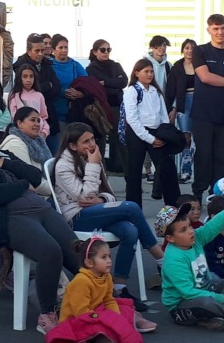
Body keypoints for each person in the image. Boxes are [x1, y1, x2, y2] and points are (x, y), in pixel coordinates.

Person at [0, 119, 80, 335]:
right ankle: (47, 313)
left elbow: (35, 175)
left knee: (76, 248)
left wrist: (5, 164)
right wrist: (23, 185)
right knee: (49, 251)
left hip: (41, 210)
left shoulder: (2, 155)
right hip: (11, 218)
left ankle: (99, 300)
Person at [54, 122, 165, 312]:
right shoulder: (63, 166)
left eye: (92, 139)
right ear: (72, 146)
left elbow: (107, 193)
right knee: (131, 207)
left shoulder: (88, 158)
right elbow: (85, 197)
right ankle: (161, 259)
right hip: (77, 217)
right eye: (85, 141)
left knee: (130, 230)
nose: (91, 144)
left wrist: (102, 199)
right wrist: (93, 165)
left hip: (95, 211)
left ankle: (119, 288)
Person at [157, 191, 224, 331]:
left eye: (190, 226)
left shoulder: (196, 238)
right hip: (183, 305)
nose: (191, 231)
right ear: (170, 238)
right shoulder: (174, 259)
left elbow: (213, 224)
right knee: (205, 302)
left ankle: (213, 318)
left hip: (207, 290)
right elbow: (187, 292)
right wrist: (220, 298)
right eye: (183, 230)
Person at [50, 237, 155, 342]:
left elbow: (109, 300)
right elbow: (80, 313)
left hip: (95, 312)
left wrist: (116, 318)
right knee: (104, 326)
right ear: (89, 263)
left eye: (109, 256)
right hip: (77, 321)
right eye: (103, 257)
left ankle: (127, 326)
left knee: (124, 310)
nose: (109, 261)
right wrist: (107, 318)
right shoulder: (81, 281)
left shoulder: (106, 276)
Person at [190, 14, 224, 200]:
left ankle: (217, 196)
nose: (220, 32)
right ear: (209, 30)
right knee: (203, 156)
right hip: (202, 114)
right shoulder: (200, 51)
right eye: (215, 28)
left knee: (222, 158)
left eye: (222, 28)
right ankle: (197, 194)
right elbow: (205, 77)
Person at [123, 59, 181, 207]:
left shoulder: (156, 91)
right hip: (137, 132)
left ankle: (174, 204)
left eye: (151, 71)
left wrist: (163, 134)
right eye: (146, 71)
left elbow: (163, 115)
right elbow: (132, 119)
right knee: (134, 171)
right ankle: (133, 207)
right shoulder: (132, 91)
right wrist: (149, 138)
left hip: (156, 131)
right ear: (137, 73)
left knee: (166, 167)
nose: (150, 74)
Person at [13, 34, 62, 153]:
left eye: (42, 50)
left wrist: (42, 88)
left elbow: (57, 87)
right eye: (37, 51)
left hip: (48, 117)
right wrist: (47, 85)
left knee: (52, 154)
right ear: (29, 51)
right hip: (27, 126)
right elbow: (26, 89)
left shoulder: (47, 63)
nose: (40, 54)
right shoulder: (20, 65)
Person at [85, 39, 127, 172]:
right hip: (100, 108)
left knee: (121, 141)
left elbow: (124, 82)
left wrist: (106, 83)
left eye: (108, 50)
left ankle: (126, 174)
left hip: (117, 106)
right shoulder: (91, 68)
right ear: (95, 52)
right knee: (100, 142)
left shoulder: (115, 65)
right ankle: (101, 177)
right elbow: (97, 88)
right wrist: (114, 85)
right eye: (102, 50)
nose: (106, 52)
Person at [0, 107, 52, 196]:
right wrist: (55, 191)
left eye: (38, 121)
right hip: (34, 196)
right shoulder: (15, 144)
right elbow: (29, 178)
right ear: (20, 123)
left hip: (46, 191)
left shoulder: (38, 142)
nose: (37, 124)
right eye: (33, 120)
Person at [166, 39, 198, 184]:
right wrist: (172, 108)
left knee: (200, 138)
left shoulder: (201, 65)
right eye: (186, 48)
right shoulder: (177, 67)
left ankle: (199, 171)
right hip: (183, 102)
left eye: (192, 48)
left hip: (200, 102)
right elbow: (171, 90)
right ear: (182, 50)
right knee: (186, 137)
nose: (189, 50)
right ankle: (186, 171)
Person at [143, 35, 172, 188]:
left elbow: (172, 86)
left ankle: (160, 170)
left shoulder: (168, 65)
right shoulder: (145, 63)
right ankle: (148, 170)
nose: (162, 49)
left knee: (162, 137)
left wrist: (172, 107)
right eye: (158, 46)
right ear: (152, 47)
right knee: (148, 137)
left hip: (163, 106)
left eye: (164, 46)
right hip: (147, 106)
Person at [49, 34, 87, 129]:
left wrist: (80, 94)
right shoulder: (48, 66)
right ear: (53, 50)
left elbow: (88, 84)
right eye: (60, 47)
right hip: (56, 114)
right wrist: (62, 92)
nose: (64, 50)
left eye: (66, 47)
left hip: (75, 113)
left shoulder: (75, 65)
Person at [7, 64, 49, 139]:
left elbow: (43, 117)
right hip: (21, 135)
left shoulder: (39, 95)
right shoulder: (14, 95)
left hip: (38, 135)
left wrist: (44, 132)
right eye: (25, 76)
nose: (28, 80)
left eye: (31, 76)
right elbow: (14, 117)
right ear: (20, 78)